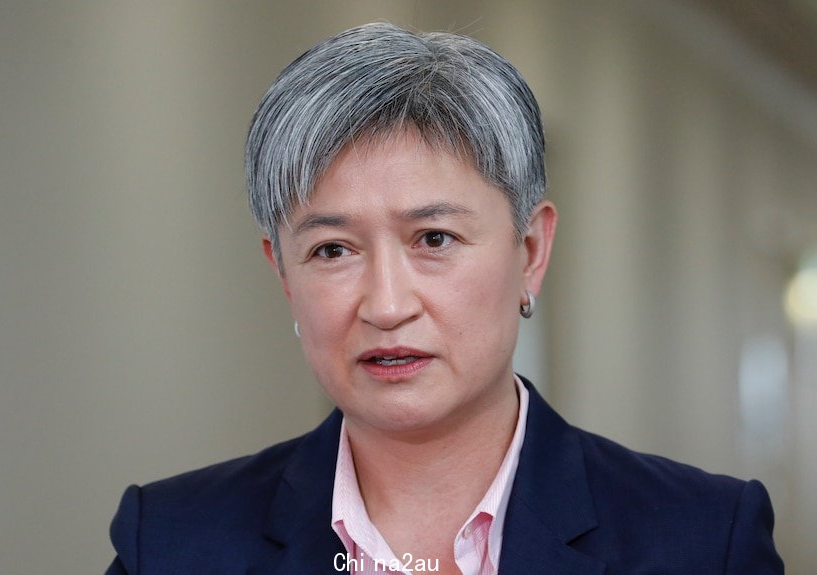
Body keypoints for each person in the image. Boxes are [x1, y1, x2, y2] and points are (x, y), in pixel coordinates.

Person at [105, 22, 783, 574]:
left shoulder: (701, 540)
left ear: (529, 252)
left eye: (433, 237)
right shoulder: (169, 542)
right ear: (284, 273)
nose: (387, 304)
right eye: (332, 250)